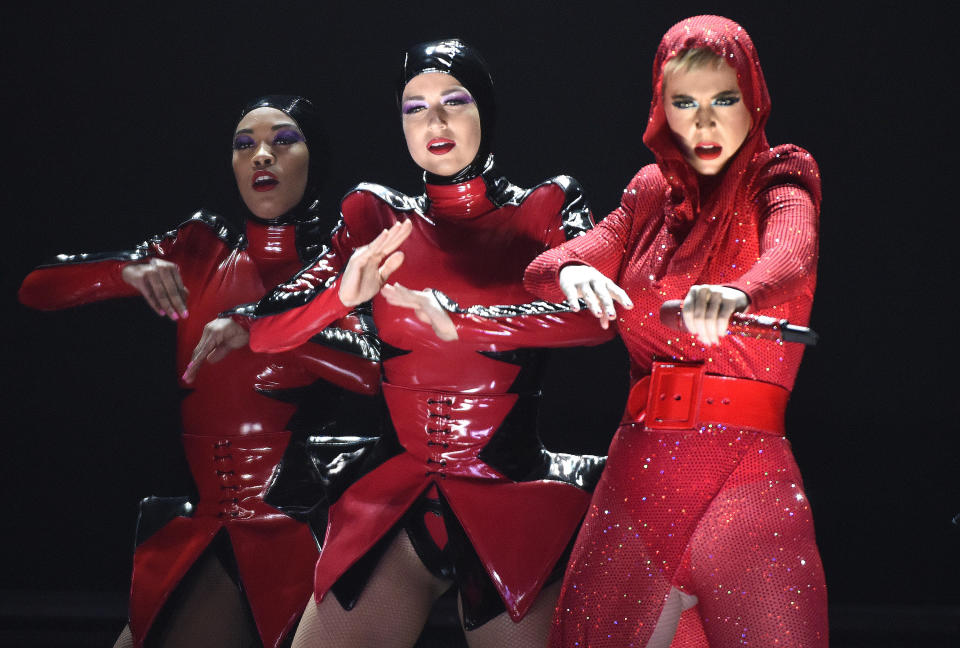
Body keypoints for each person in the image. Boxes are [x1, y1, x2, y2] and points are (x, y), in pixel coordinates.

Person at [190, 39, 612, 648]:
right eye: (415, 108)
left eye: (453, 101)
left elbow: (599, 322)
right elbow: (275, 328)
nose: (435, 122)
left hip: (510, 498)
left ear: (484, 111)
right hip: (395, 501)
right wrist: (340, 295)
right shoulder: (374, 216)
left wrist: (464, 321)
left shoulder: (544, 206)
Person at [18, 96, 381, 648]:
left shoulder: (337, 261)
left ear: (316, 157)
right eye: (244, 145)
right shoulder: (201, 247)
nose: (262, 156)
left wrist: (261, 331)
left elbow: (372, 370)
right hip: (207, 523)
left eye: (283, 141)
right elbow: (35, 289)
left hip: (301, 525)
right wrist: (128, 268)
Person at [522, 15, 828, 648]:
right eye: (683, 103)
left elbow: (793, 255)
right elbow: (546, 267)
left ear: (754, 99)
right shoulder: (649, 192)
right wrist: (575, 273)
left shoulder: (783, 173)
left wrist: (740, 291)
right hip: (638, 473)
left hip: (745, 475)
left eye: (725, 100)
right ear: (662, 109)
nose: (704, 123)